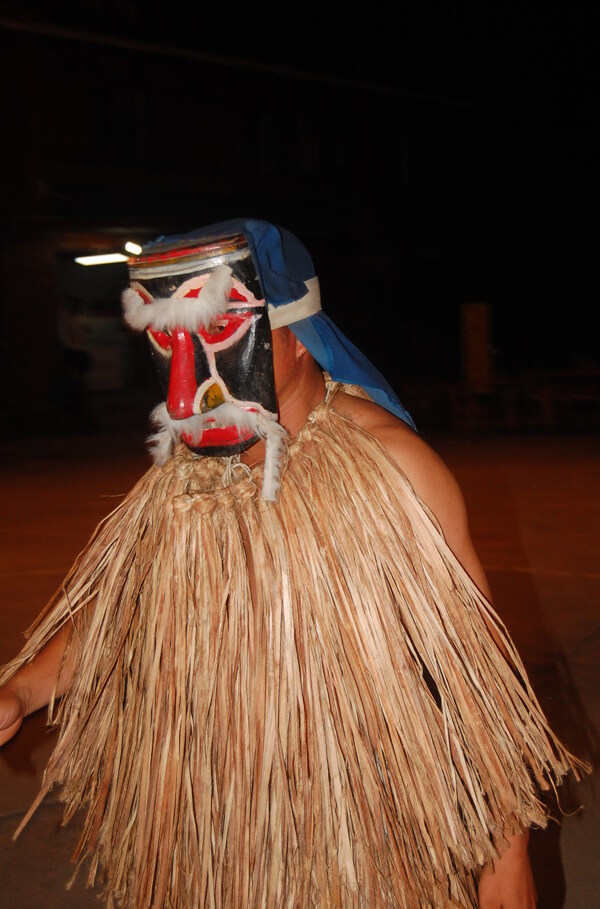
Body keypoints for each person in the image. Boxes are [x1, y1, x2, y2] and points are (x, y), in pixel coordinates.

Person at [0, 220, 587, 909]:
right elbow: (129, 609)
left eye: (218, 330)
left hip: (356, 831)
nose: (190, 380)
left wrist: (505, 853)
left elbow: (476, 674)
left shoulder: (391, 469)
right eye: (168, 339)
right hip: (215, 834)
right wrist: (24, 690)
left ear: (298, 334)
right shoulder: (187, 476)